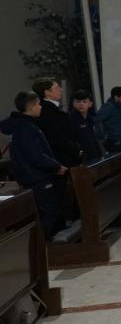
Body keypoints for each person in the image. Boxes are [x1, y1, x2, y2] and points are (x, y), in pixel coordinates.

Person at [0, 92, 67, 238]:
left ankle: (48, 243)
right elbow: (36, 156)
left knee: (48, 212)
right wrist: (56, 166)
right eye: (38, 104)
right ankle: (40, 246)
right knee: (48, 212)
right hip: (37, 177)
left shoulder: (25, 124)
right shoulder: (26, 127)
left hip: (33, 176)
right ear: (31, 107)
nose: (40, 107)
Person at [31, 78, 81, 167]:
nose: (61, 90)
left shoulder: (51, 110)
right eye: (57, 87)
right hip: (62, 160)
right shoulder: (47, 112)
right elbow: (57, 138)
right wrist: (76, 150)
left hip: (64, 157)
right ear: (47, 92)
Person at [69, 90, 103, 162]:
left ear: (90, 104)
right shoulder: (69, 119)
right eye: (78, 101)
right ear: (73, 103)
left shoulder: (92, 119)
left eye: (84, 101)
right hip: (81, 159)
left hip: (96, 156)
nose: (81, 104)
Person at [97, 86, 121, 154]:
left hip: (120, 141)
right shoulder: (109, 106)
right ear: (116, 97)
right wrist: (103, 136)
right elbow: (97, 120)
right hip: (114, 143)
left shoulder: (118, 106)